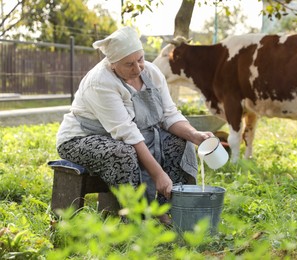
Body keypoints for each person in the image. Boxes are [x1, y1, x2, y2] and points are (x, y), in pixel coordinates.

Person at [56, 26, 213, 223]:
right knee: (122, 153)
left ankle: (167, 211)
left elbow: (169, 115)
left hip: (131, 136)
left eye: (140, 59)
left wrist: (194, 135)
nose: (138, 68)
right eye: (129, 64)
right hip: (81, 139)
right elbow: (127, 133)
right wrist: (158, 174)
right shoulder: (100, 83)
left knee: (179, 142)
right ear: (112, 64)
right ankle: (136, 219)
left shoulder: (152, 74)